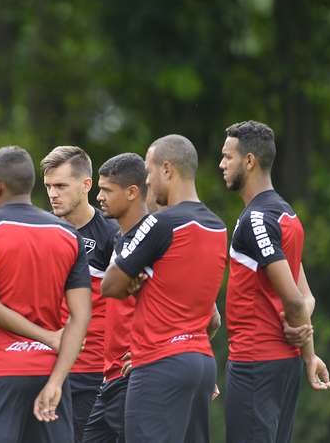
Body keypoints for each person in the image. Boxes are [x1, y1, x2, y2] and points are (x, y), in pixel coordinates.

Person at [101, 134, 226, 443]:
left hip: (159, 363)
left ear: (167, 169)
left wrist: (131, 281)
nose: (147, 179)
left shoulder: (160, 223)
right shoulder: (218, 226)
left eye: (149, 170)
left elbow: (111, 285)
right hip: (202, 363)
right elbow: (213, 319)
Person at [0, 145, 91, 443]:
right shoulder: (69, 234)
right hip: (49, 371)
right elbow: (81, 315)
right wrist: (57, 381)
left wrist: (46, 337)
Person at [220, 120, 330, 443]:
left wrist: (309, 352)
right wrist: (306, 351)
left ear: (250, 161)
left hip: (255, 363)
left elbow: (297, 301)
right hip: (282, 365)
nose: (221, 164)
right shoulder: (287, 215)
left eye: (228, 156)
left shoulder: (257, 219)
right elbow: (306, 297)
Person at [40, 146, 118, 442]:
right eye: (48, 186)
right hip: (43, 367)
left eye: (61, 185)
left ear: (86, 185)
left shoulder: (111, 233)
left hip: (92, 371)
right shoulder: (39, 230)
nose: (52, 194)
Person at [81, 153, 146, 443]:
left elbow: (202, 310)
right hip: (110, 376)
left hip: (135, 376)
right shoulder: (122, 238)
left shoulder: (153, 237)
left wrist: (152, 353)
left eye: (107, 190)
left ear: (132, 192)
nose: (99, 197)